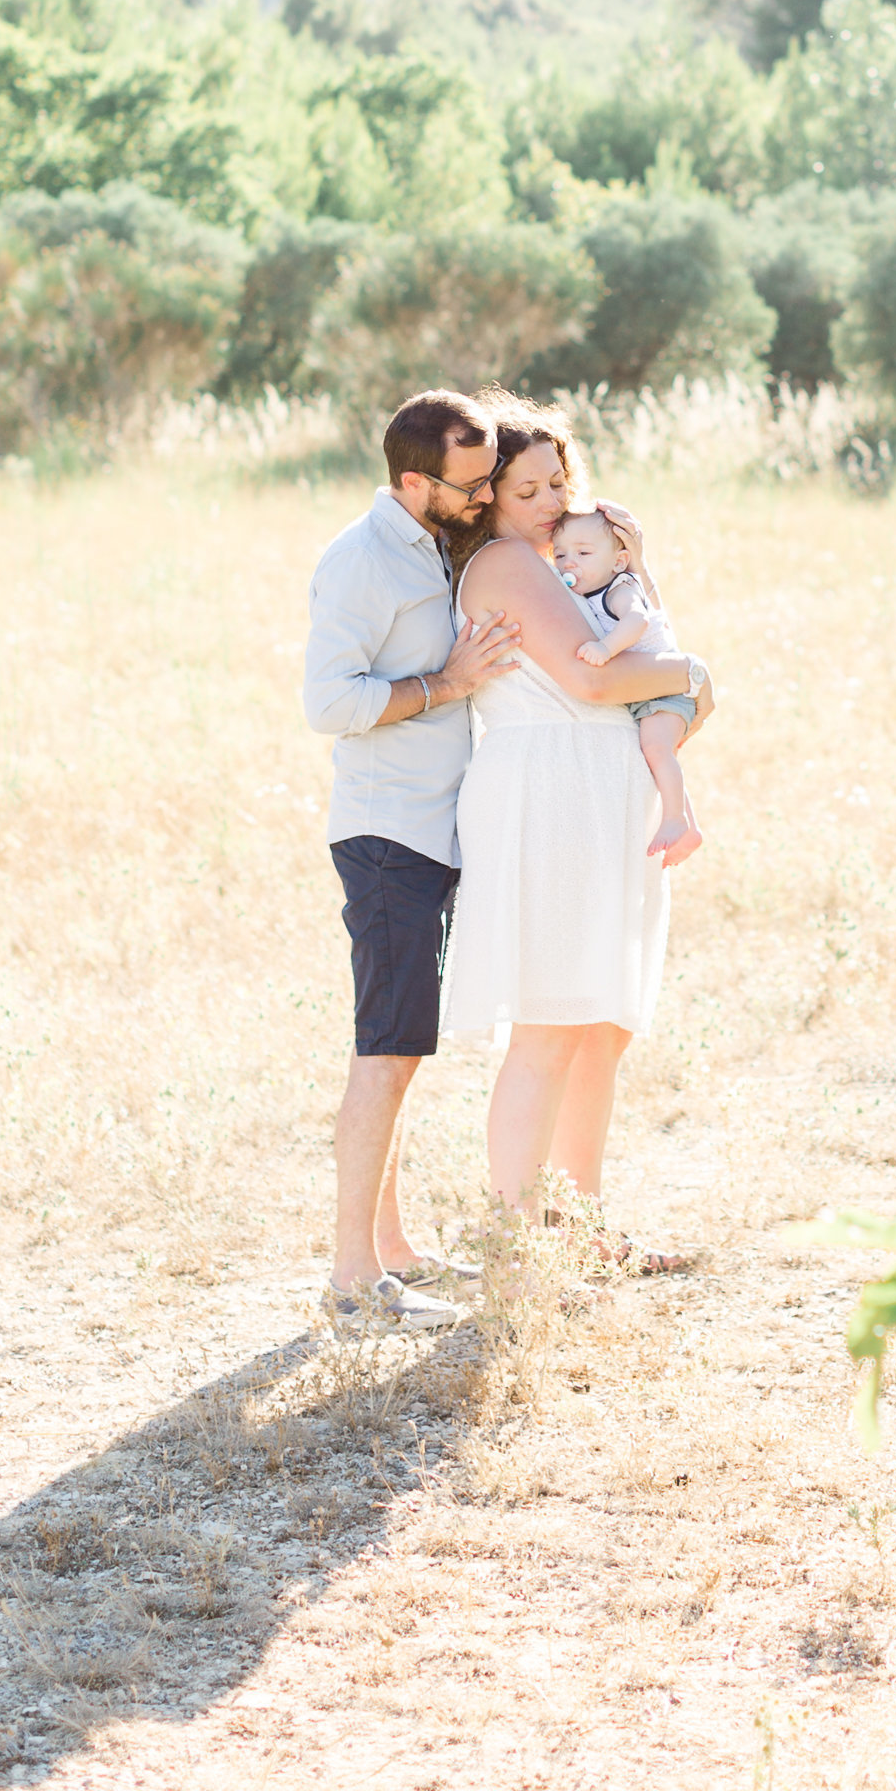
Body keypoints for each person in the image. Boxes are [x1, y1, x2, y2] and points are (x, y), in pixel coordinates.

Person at [440, 399, 712, 1244]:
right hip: (548, 789)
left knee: (600, 1025)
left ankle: (583, 1232)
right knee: (552, 1024)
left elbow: (637, 663)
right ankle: (520, 1246)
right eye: (528, 489)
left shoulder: (570, 564)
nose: (552, 502)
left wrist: (640, 569)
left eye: (560, 481)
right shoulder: (508, 565)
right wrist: (693, 671)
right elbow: (598, 683)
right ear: (486, 498)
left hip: (602, 787)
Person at [303, 388, 520, 1330]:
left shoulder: (440, 542)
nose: (484, 499)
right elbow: (330, 703)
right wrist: (447, 685)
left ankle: (394, 1251)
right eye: (470, 484)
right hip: (388, 833)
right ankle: (353, 1284)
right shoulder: (358, 563)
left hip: (437, 829)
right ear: (411, 480)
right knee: (384, 1055)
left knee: (405, 1053)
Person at [552, 503, 704, 871]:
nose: (569, 563)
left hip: (664, 688)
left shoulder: (620, 589)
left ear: (619, 562)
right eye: (560, 555)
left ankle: (675, 820)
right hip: (643, 690)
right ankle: (690, 825)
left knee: (656, 748)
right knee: (656, 753)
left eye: (584, 553)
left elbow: (637, 621)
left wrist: (605, 648)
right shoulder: (584, 591)